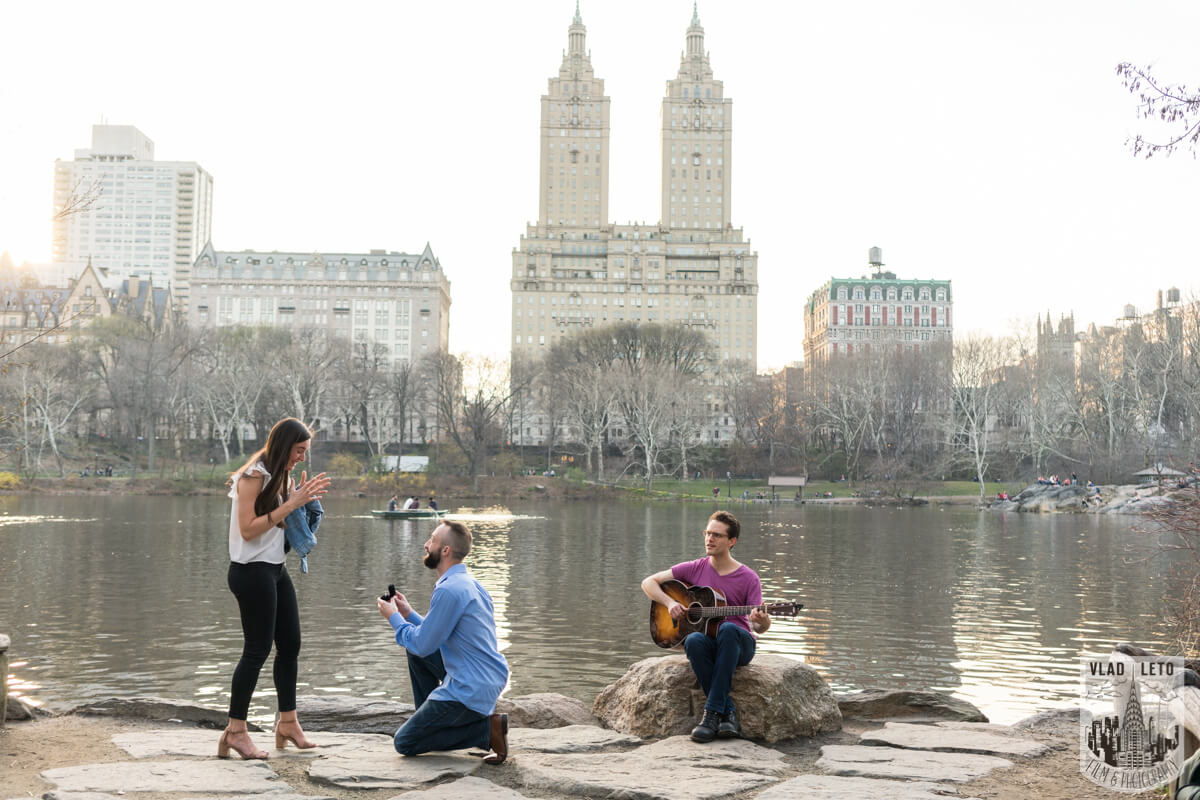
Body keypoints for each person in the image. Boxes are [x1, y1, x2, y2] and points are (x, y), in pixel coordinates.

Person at [218, 417, 331, 761]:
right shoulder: (253, 476)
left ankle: (287, 723)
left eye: (304, 452)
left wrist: (300, 501)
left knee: (291, 644)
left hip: (274, 571)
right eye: (298, 451)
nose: (301, 457)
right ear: (284, 445)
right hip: (250, 573)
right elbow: (249, 530)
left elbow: (279, 525)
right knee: (256, 650)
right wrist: (291, 504)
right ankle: (237, 731)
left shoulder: (279, 475)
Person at [376, 521, 510, 764]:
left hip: (471, 685)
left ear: (445, 550)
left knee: (404, 742)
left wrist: (393, 618)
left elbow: (423, 644)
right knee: (414, 652)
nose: (426, 544)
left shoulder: (449, 590)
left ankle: (485, 731)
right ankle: (430, 721)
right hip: (488, 675)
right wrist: (408, 614)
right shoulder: (470, 584)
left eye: (432, 540)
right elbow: (436, 635)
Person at [640, 510, 769, 743]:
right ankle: (727, 714)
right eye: (707, 533)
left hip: (738, 646)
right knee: (693, 640)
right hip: (709, 643)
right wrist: (670, 603)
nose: (709, 539)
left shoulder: (749, 577)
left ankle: (710, 715)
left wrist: (763, 621)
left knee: (729, 629)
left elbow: (757, 628)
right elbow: (648, 582)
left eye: (717, 535)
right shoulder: (694, 568)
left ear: (732, 541)